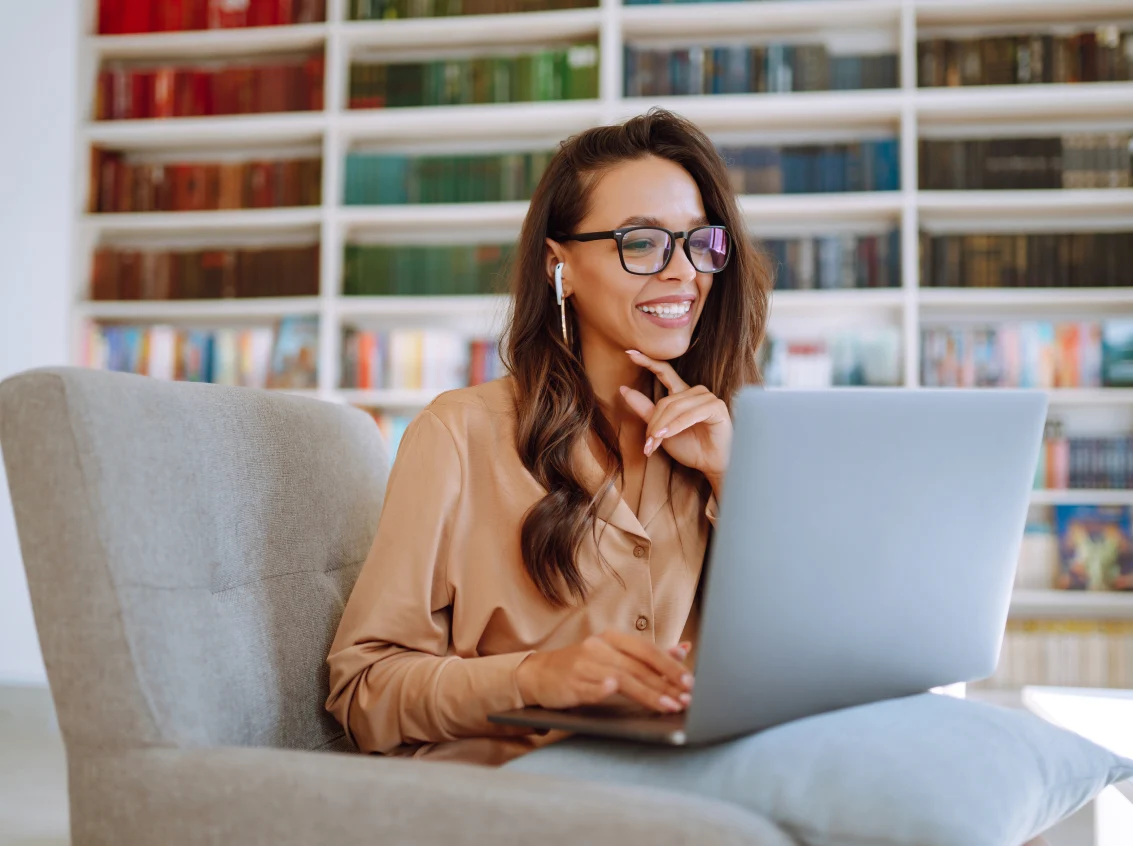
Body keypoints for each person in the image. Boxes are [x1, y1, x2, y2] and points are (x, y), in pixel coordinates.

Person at [325, 107, 771, 767]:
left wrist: (730, 479)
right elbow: (362, 690)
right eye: (642, 241)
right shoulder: (457, 435)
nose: (683, 272)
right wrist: (535, 676)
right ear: (558, 266)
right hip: (513, 796)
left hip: (684, 779)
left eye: (698, 240)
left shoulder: (730, 440)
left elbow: (788, 658)